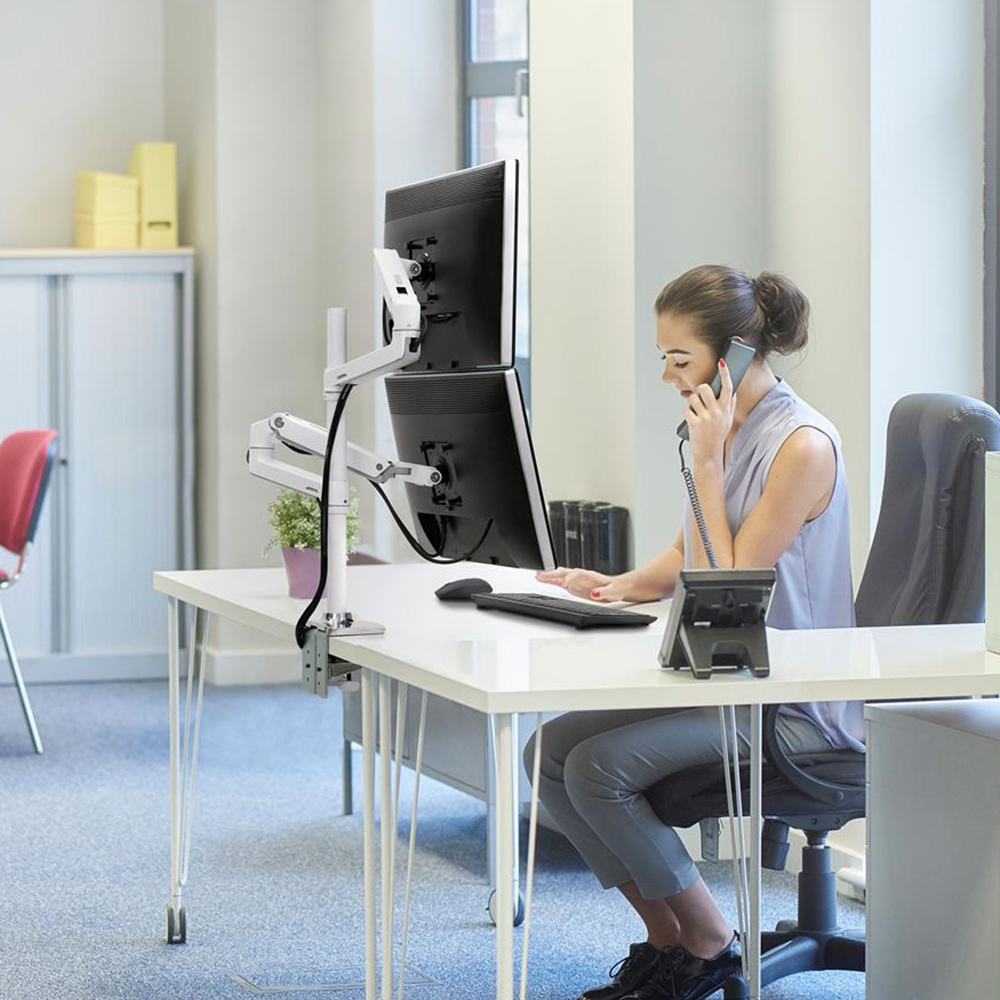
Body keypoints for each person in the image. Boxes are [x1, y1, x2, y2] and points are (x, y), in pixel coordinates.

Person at [528, 264, 862, 1000]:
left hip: (793, 703)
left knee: (596, 769)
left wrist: (707, 463)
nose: (668, 378)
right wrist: (612, 585)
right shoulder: (725, 429)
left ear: (733, 353)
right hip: (723, 673)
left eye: (680, 360)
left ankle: (709, 941)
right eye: (665, 359)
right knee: (546, 750)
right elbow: (687, 556)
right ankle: (667, 939)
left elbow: (725, 586)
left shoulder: (801, 447)